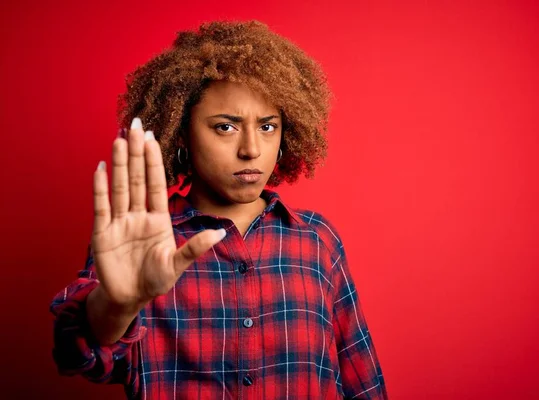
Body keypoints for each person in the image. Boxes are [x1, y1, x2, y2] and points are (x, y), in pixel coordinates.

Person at [50, 20, 387, 399]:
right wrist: (118, 305)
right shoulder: (141, 242)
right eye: (225, 127)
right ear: (180, 133)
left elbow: (363, 380)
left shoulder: (316, 241)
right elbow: (77, 356)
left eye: (268, 126)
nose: (252, 150)